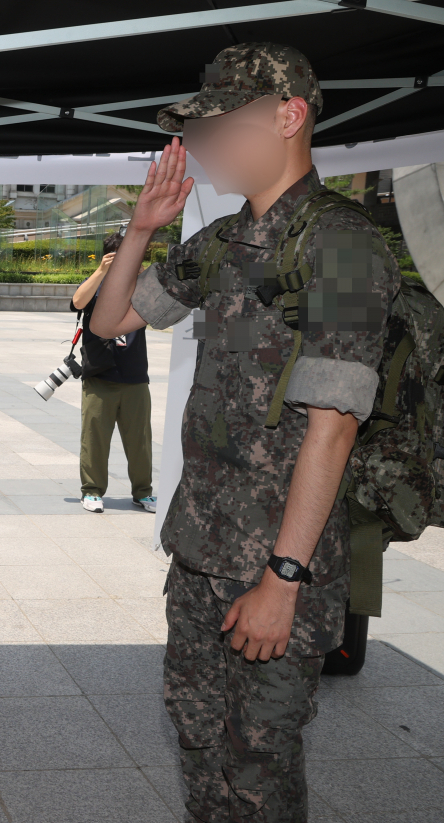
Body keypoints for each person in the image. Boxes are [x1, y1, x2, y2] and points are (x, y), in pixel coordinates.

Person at [91, 42, 397, 822]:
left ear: (289, 117)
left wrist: (283, 580)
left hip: (275, 563)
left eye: (223, 128)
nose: (204, 147)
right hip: (198, 549)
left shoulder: (342, 245)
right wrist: (139, 229)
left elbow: (331, 430)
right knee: (198, 740)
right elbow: (112, 320)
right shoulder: (224, 240)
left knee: (259, 763)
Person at [71, 229, 155, 514]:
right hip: (100, 376)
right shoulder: (96, 286)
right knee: (94, 437)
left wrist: (139, 275)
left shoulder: (140, 286)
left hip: (134, 375)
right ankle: (92, 491)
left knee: (140, 440)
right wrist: (100, 271)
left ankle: (143, 492)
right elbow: (77, 302)